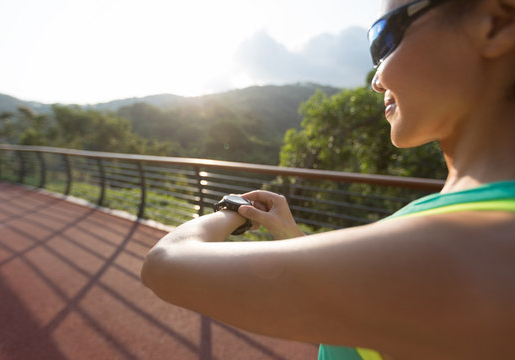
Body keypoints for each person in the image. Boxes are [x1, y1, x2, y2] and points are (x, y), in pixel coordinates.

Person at [141, 0, 515, 358]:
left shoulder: (459, 248)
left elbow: (164, 263)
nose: (377, 80)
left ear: (497, 23)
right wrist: (293, 239)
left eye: (385, 40)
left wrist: (232, 209)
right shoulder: (469, 230)